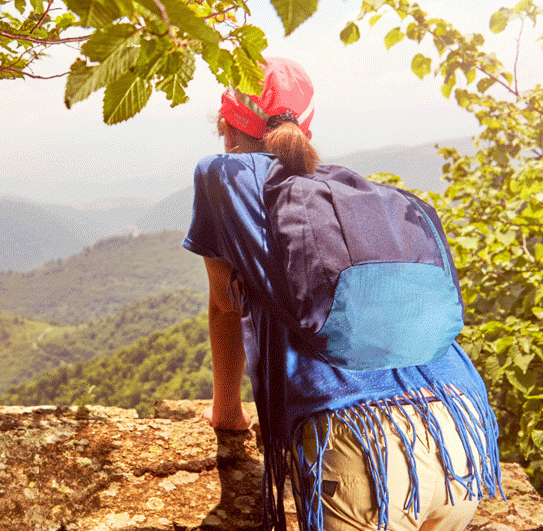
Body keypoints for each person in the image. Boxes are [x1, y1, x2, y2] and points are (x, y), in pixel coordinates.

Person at [182, 57, 503, 531]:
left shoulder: (226, 177)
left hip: (361, 455)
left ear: (229, 132)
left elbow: (225, 305)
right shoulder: (358, 192)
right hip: (460, 433)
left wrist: (227, 413)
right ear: (306, 130)